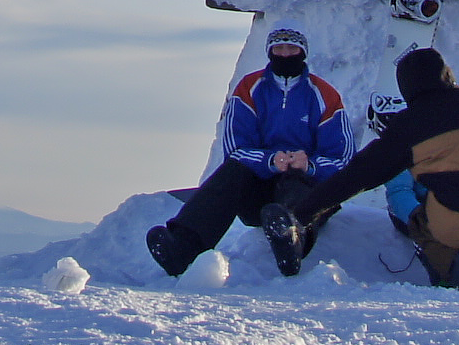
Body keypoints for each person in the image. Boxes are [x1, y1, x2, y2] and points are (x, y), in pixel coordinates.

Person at [291, 46, 459, 289]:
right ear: (447, 74)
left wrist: (304, 213)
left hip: (457, 221)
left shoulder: (413, 121)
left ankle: (453, 267)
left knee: (420, 219)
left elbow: (359, 175)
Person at [144, 27, 351, 278]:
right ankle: (182, 248)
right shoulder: (250, 88)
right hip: (261, 190)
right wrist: (270, 161)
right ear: (269, 52)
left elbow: (343, 158)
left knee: (297, 181)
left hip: (307, 192)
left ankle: (293, 240)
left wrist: (310, 165)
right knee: (231, 173)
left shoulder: (323, 94)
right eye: (279, 48)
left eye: (292, 48)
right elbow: (235, 149)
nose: (285, 54)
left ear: (303, 52)